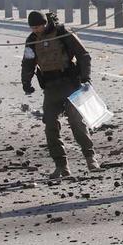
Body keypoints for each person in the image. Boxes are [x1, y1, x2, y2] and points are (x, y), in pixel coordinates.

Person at [21, 10, 98, 179]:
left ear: (45, 23)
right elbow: (28, 63)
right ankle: (61, 166)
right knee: (50, 126)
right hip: (50, 88)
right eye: (33, 28)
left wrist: (86, 78)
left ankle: (91, 159)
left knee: (77, 122)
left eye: (38, 27)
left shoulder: (63, 33)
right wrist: (26, 83)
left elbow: (84, 55)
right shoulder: (32, 40)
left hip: (71, 84)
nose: (36, 30)